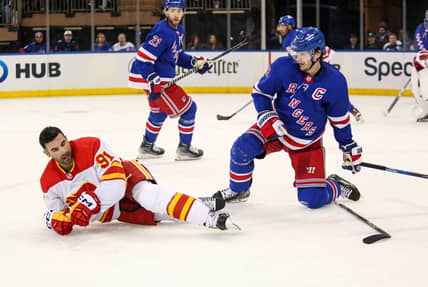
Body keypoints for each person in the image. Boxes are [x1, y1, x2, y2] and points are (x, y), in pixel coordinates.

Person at [210, 27, 362, 210]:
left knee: (311, 200)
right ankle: (238, 190)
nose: (297, 58)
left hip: (307, 142)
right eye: (295, 52)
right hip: (277, 129)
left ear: (317, 53)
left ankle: (336, 186)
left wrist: (347, 145)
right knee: (241, 149)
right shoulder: (283, 66)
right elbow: (260, 93)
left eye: (303, 54)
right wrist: (268, 116)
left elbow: (339, 120)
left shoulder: (335, 82)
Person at [39, 126, 236, 236]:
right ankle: (200, 202)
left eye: (63, 143)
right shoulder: (48, 181)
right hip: (114, 211)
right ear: (47, 153)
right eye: (55, 150)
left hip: (125, 177)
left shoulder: (91, 145)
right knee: (158, 214)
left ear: (67, 138)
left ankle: (208, 218)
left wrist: (88, 205)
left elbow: (116, 186)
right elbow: (53, 212)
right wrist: (58, 221)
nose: (63, 151)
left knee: (149, 197)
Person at [128, 0, 212, 160]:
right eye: (172, 10)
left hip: (157, 78)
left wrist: (194, 62)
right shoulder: (162, 31)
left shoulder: (178, 29)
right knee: (189, 108)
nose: (176, 14)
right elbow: (142, 58)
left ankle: (147, 146)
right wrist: (153, 80)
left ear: (184, 12)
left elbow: (177, 54)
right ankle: (184, 148)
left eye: (179, 10)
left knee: (158, 112)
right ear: (166, 11)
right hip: (156, 78)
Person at [412, 10, 428, 122]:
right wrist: (423, 56)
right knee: (417, 87)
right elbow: (419, 42)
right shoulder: (421, 27)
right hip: (422, 60)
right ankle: (426, 110)